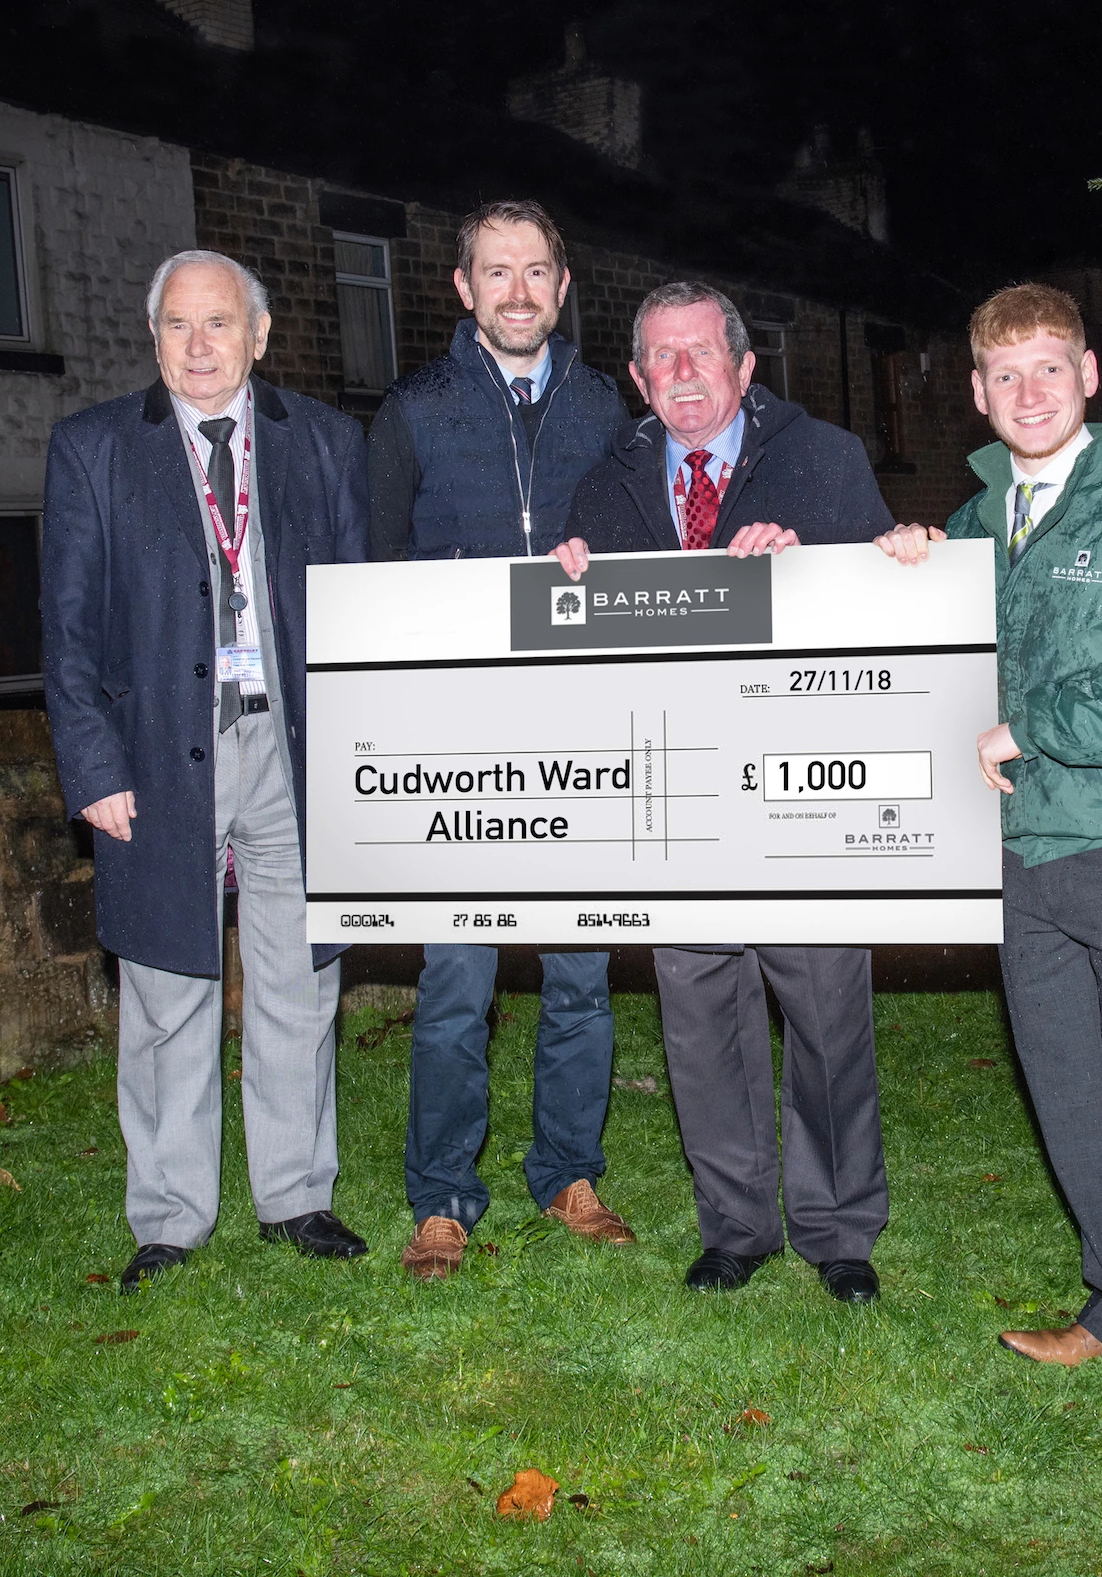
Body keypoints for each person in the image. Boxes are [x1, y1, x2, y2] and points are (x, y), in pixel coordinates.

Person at [876, 282, 1102, 1473]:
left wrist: (1026, 722)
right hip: (1019, 853)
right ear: (976, 392)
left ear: (1089, 375)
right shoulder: (983, 517)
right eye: (1004, 374)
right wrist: (911, 561)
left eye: (1049, 367)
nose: (1028, 392)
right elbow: (932, 644)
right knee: (1066, 1088)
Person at [555, 281, 899, 1304]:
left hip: (801, 791)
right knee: (701, 1019)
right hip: (674, 799)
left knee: (826, 1009)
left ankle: (839, 1231)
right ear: (636, 381)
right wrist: (562, 580)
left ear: (746, 367)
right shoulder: (604, 484)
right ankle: (736, 1225)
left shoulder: (825, 460)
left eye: (701, 352)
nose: (682, 373)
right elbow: (578, 659)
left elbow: (890, 613)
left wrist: (812, 573)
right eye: (660, 359)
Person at [42, 249, 372, 1293]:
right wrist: (92, 764)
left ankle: (297, 1195)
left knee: (298, 979)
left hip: (292, 747)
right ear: (153, 337)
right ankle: (170, 1216)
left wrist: (358, 758)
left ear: (259, 335)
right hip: (156, 759)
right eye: (177, 325)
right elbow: (66, 630)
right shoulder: (92, 449)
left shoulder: (323, 441)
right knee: (168, 985)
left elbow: (358, 610)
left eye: (218, 323)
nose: (197, 345)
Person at [367, 200, 636, 1280]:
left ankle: (567, 1170)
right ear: (462, 288)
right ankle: (442, 1196)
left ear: (562, 288)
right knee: (455, 980)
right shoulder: (412, 411)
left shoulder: (612, 409)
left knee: (580, 968)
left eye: (535, 271)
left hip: (581, 731)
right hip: (456, 739)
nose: (517, 290)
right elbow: (374, 582)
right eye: (495, 271)